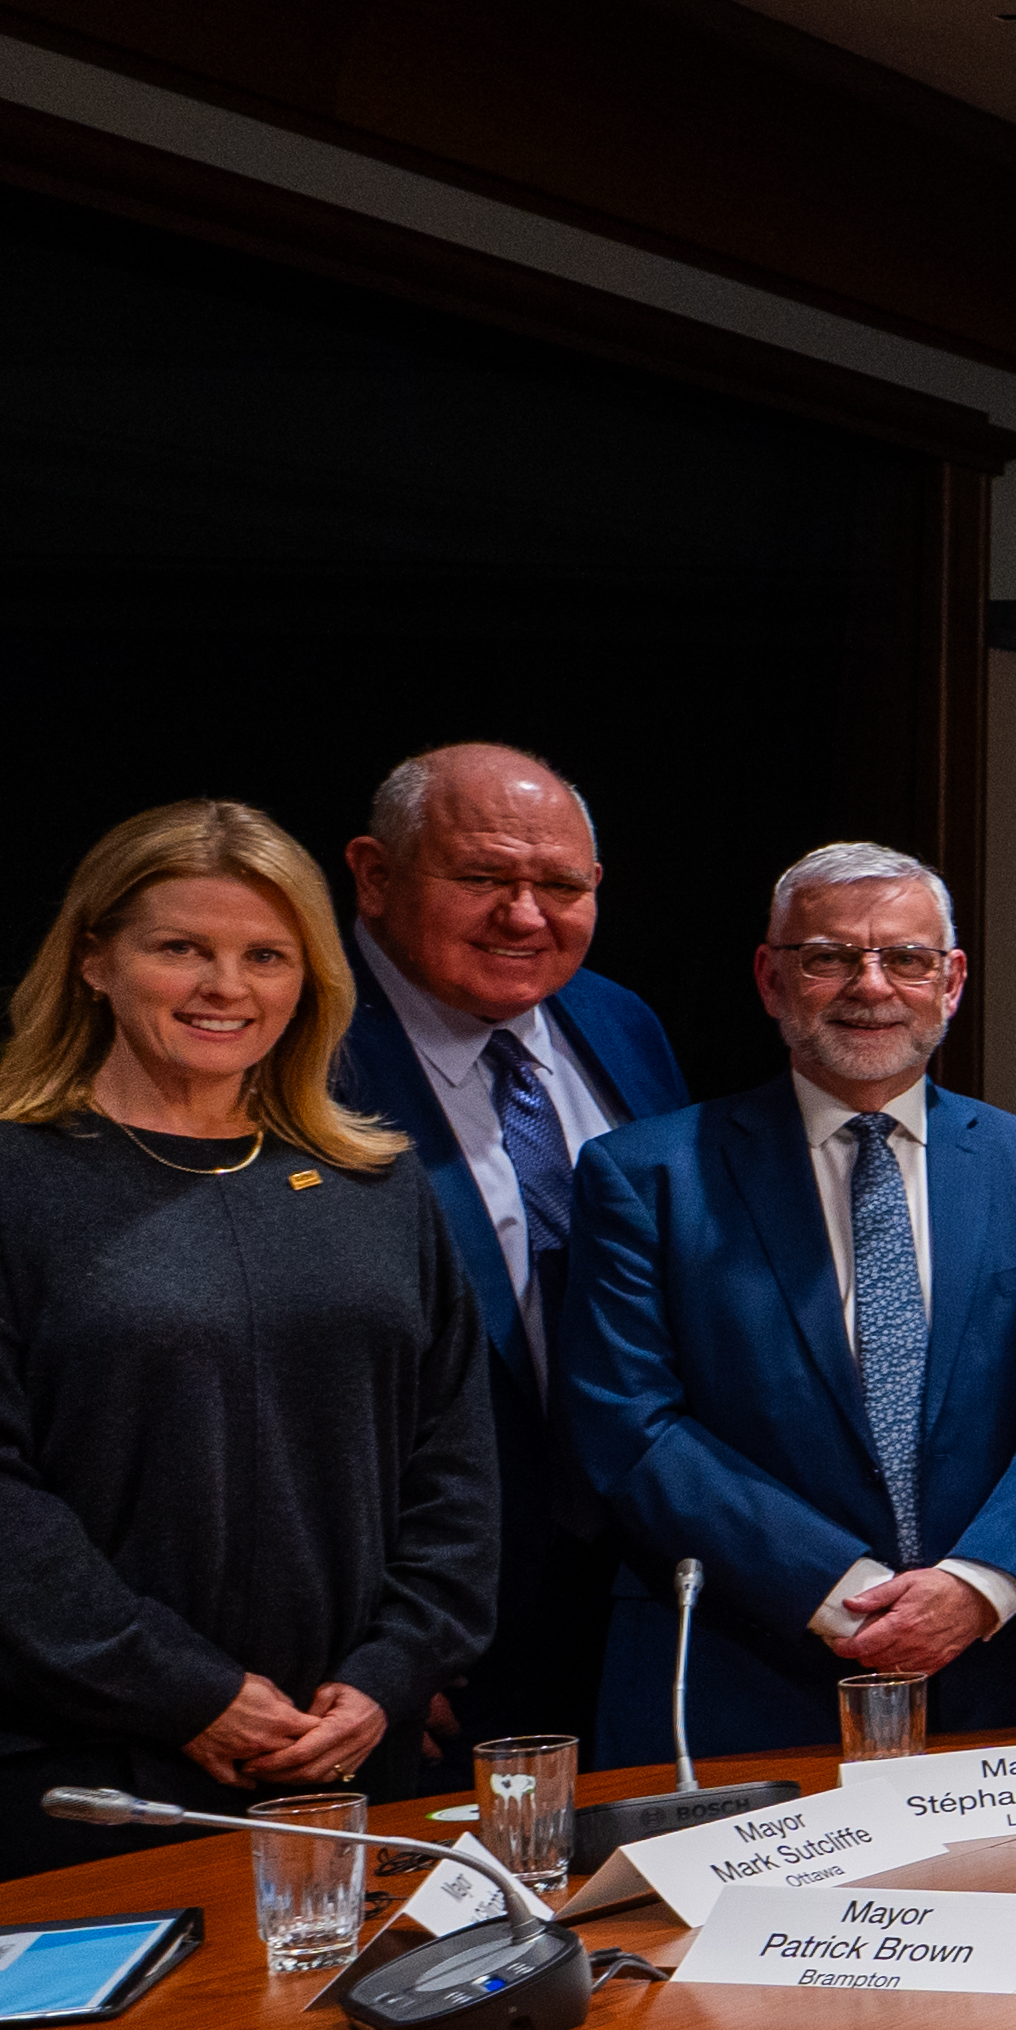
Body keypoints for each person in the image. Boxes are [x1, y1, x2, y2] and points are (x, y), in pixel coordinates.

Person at [0, 802, 488, 1882]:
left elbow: (455, 1465)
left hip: (343, 1749)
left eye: (265, 955)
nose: (225, 987)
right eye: (180, 948)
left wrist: (390, 1672)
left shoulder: (377, 1184)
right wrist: (187, 1692)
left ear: (311, 980)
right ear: (94, 958)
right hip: (81, 1764)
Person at [554, 843, 1016, 1765]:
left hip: (1009, 1678)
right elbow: (629, 1426)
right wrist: (841, 1592)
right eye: (828, 956)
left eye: (906, 957)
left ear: (952, 981)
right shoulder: (644, 1176)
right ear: (770, 978)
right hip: (743, 1675)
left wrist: (981, 1581)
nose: (870, 984)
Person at [325, 742, 689, 1753]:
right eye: (483, 876)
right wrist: (384, 1645)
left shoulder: (619, 1021)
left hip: (641, 1605)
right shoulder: (293, 1051)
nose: (525, 915)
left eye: (560, 884)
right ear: (374, 873)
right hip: (426, 1634)